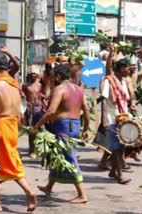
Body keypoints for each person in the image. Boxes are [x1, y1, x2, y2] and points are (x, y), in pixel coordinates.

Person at [0, 55, 36, 212]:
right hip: (12, 126)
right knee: (2, 164)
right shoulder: (14, 85)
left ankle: (27, 192)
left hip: (1, 127)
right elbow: (20, 110)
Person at [33, 64, 90, 204]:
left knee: (70, 158)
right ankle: (48, 187)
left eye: (53, 77)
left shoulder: (60, 89)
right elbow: (86, 110)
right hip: (75, 124)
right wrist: (86, 129)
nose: (52, 79)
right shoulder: (78, 88)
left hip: (65, 126)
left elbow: (51, 111)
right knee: (58, 156)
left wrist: (37, 125)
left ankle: (82, 194)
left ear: (58, 76)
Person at [100, 58, 133, 184]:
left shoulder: (123, 81)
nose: (129, 70)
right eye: (127, 68)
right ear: (121, 69)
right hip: (111, 118)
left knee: (122, 147)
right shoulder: (108, 81)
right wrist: (104, 120)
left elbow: (126, 99)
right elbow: (103, 100)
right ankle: (120, 175)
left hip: (123, 117)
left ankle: (113, 171)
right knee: (117, 148)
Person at [23, 66, 43, 158]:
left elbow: (41, 96)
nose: (32, 75)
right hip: (29, 107)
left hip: (38, 108)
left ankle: (37, 150)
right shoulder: (25, 85)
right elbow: (23, 97)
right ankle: (31, 149)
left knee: (38, 129)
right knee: (30, 130)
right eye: (31, 74)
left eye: (34, 73)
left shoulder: (40, 85)